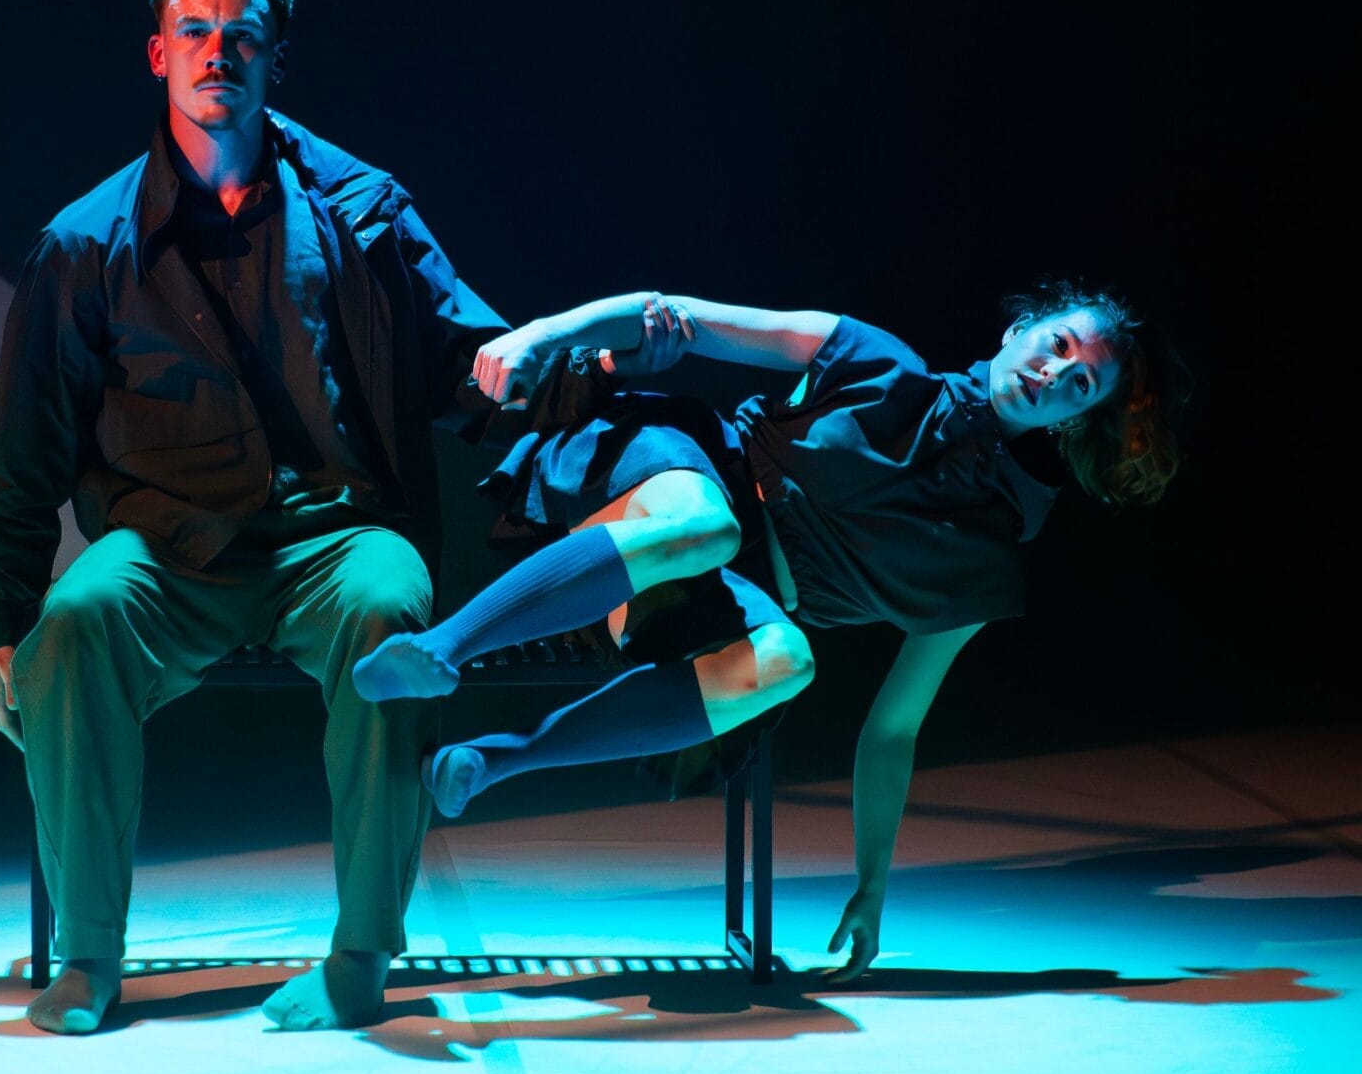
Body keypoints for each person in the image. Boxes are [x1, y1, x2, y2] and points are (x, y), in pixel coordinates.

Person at [0, 0, 507, 1035]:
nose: (220, 53)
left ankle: (361, 954)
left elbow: (469, 359)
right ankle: (87, 956)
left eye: (242, 35)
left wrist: (549, 374)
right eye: (198, 33)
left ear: (274, 59)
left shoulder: (363, 208)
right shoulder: (86, 242)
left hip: (336, 532)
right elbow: (24, 444)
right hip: (168, 545)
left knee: (389, 614)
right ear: (158, 53)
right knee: (72, 625)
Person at [352, 282, 1187, 979]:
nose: (1055, 371)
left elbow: (894, 727)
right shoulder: (874, 359)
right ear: (1019, 330)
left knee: (788, 660)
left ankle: (493, 761)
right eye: (1059, 343)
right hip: (672, 470)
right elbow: (671, 308)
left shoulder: (983, 554)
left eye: (1081, 382)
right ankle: (442, 650)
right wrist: (546, 333)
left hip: (709, 595)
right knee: (708, 524)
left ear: (1075, 419)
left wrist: (871, 887)